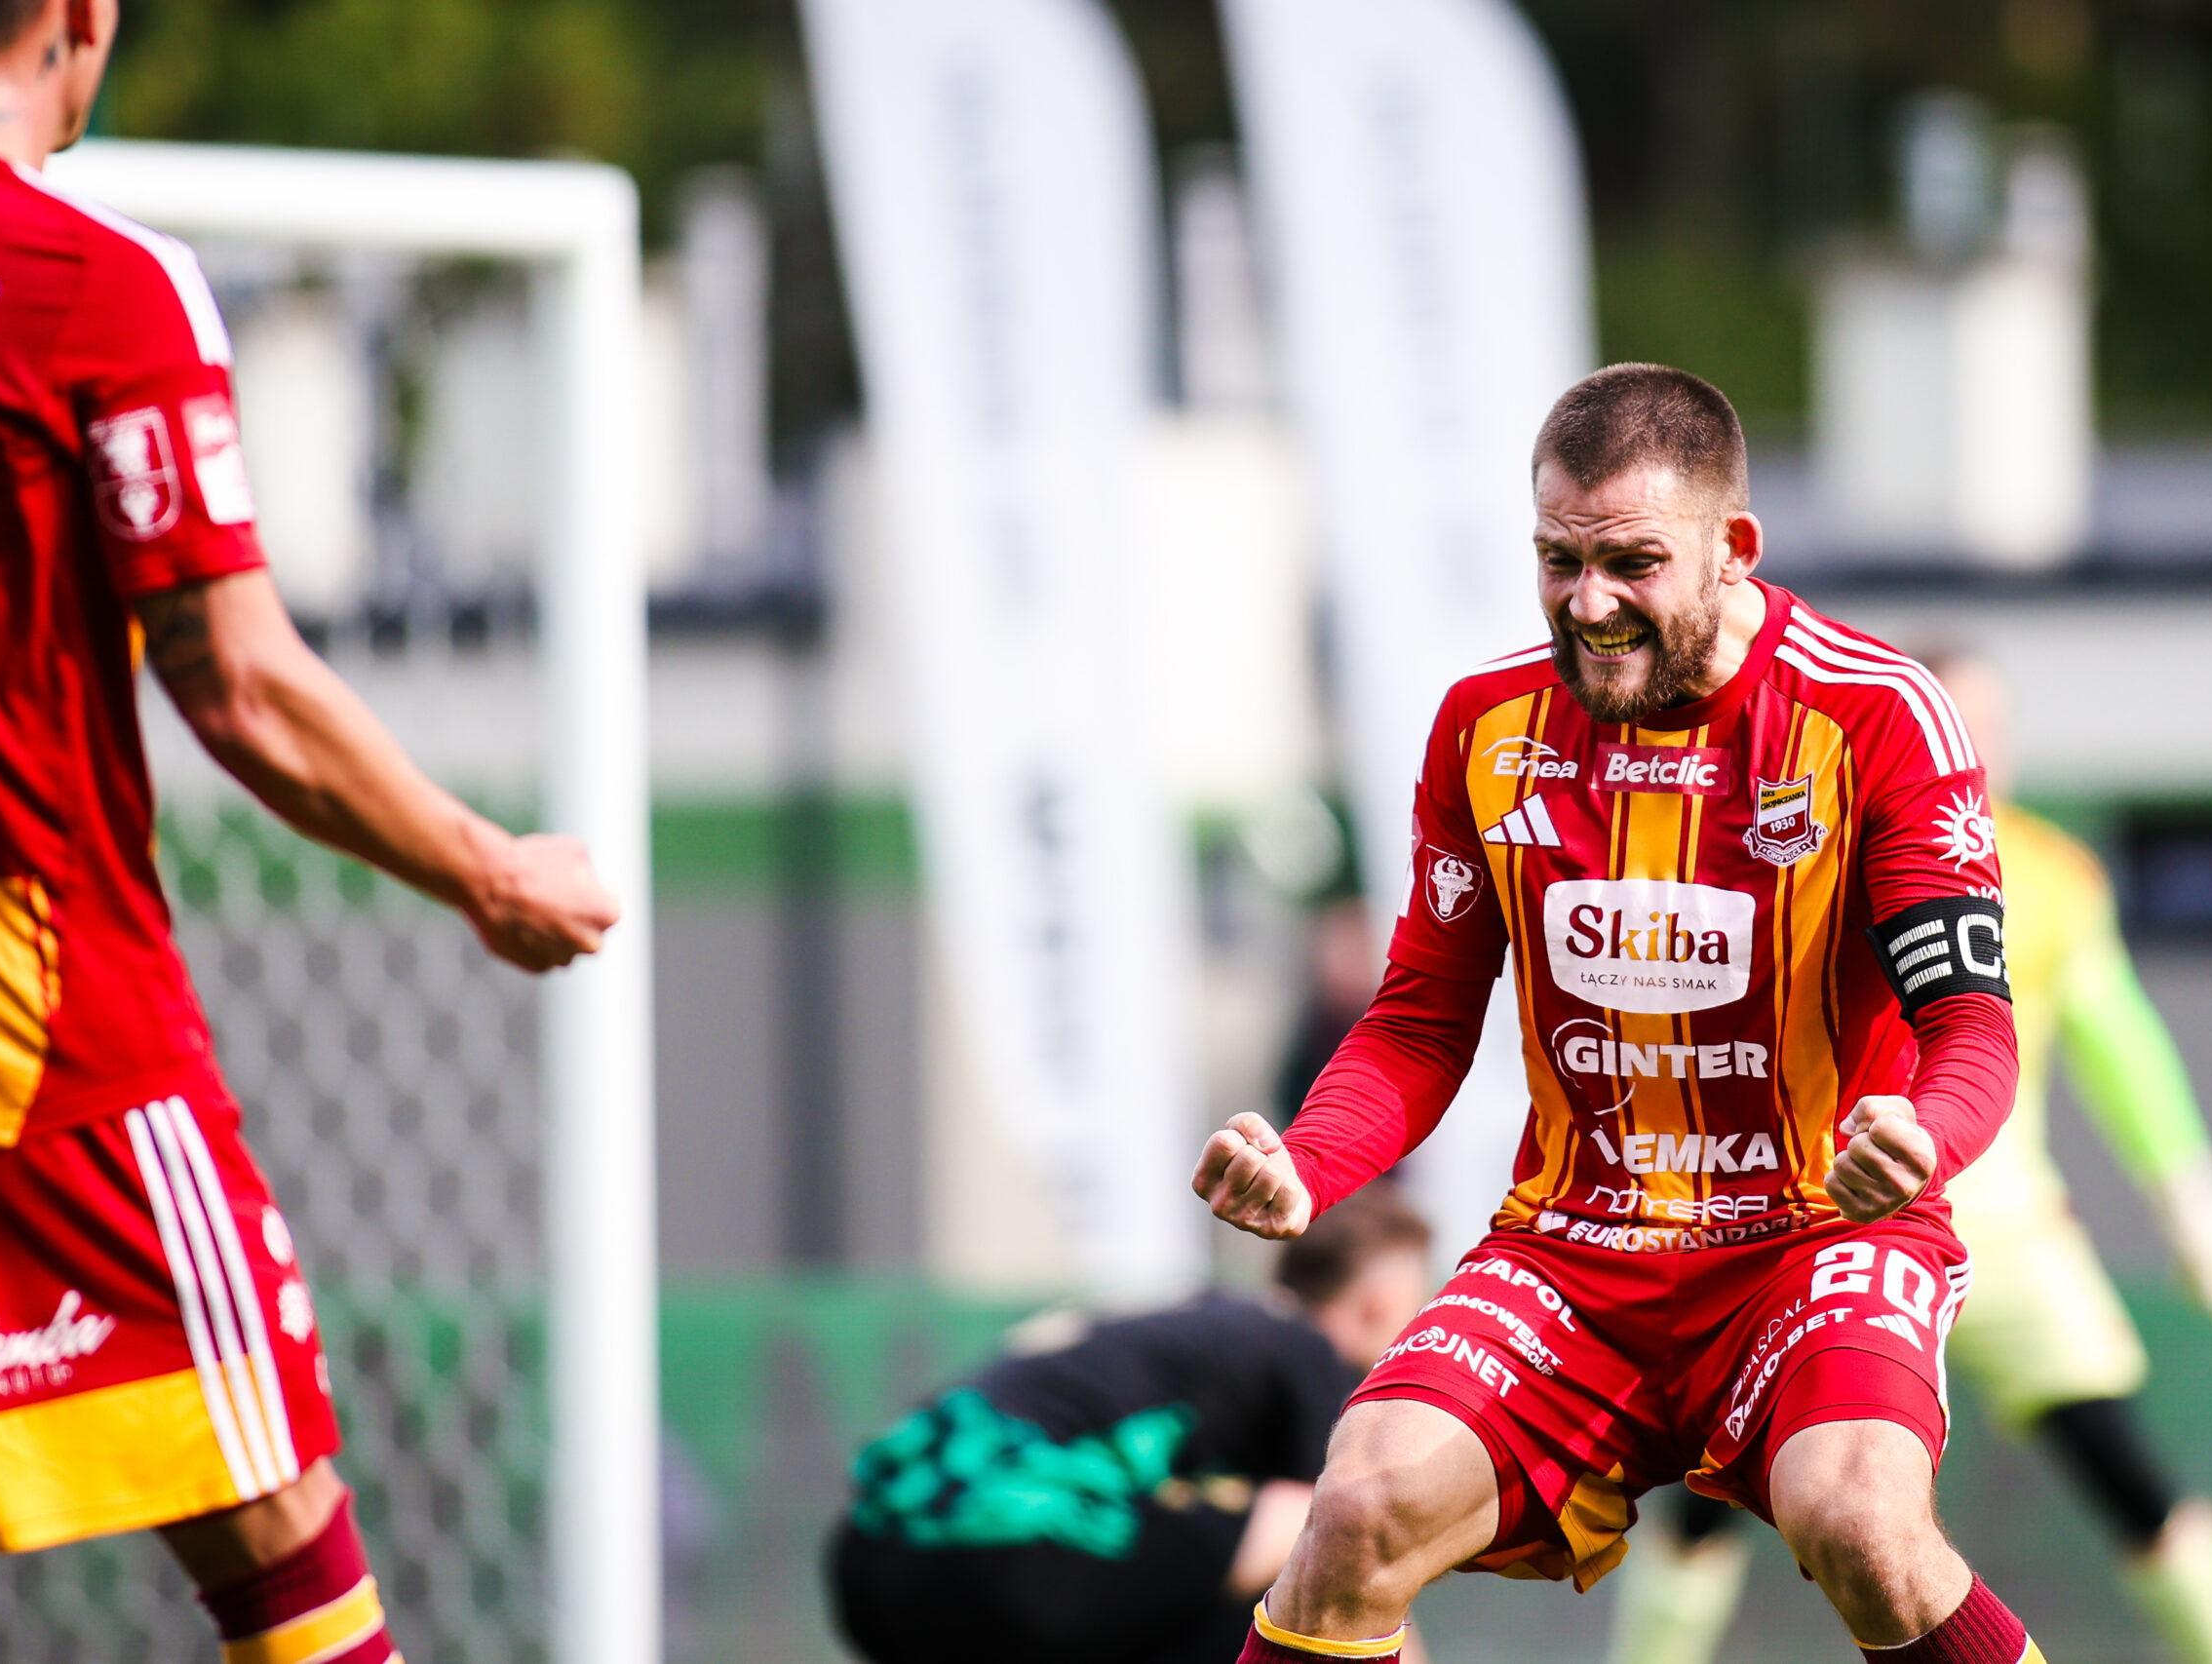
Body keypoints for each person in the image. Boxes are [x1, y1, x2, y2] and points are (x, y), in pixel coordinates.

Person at [1196, 364, 2043, 1664]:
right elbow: (1419, 1020)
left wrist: (1926, 1134)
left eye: (1632, 562)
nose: (1588, 604)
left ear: (1733, 545)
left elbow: (1972, 1023)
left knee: (1862, 1520)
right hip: (1575, 1249)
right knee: (1356, 1508)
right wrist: (1310, 1163)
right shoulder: (1486, 725)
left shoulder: (1875, 713)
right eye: (1558, 560)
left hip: (1810, 1239)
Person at [0, 3, 621, 1660]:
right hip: (42, 1014)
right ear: (79, 17)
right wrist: (489, 866)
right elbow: (239, 679)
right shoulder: (88, 279)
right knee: (269, 1503)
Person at [1604, 657, 2212, 1664]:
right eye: (1949, 722)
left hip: (2003, 1234)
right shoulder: (1796, 847)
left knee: (2129, 1477)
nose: (1973, 744)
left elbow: (2117, 1037)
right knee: (1713, 1496)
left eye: (1986, 723)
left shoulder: (2048, 873)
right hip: (1819, 1232)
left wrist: (2190, 1191)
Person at [827, 1189, 1436, 1664]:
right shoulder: (1303, 1348)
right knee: (1328, 1543)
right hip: (1007, 1543)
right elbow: (1342, 1541)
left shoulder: (1198, 1317)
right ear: (1380, 1302)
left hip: (872, 1553)